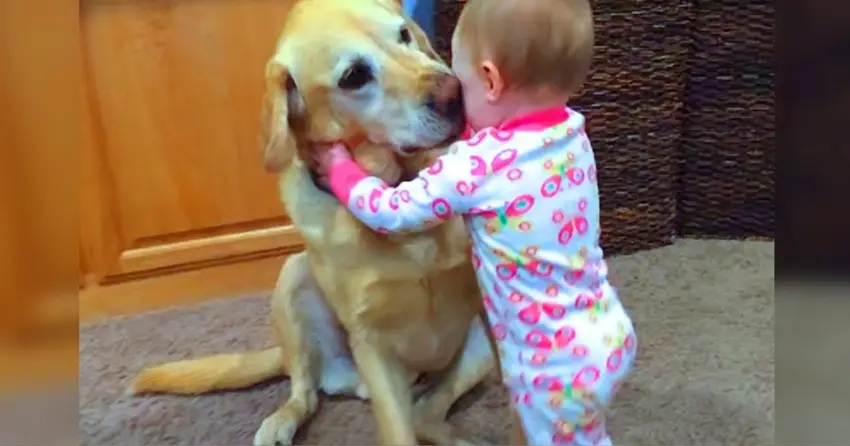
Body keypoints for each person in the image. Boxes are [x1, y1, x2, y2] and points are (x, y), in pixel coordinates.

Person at [316, 0, 637, 444]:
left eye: (458, 81)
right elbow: (504, 145)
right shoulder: (570, 133)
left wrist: (340, 169)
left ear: (489, 80)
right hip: (605, 329)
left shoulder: (474, 168)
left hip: (551, 366)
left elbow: (392, 213)